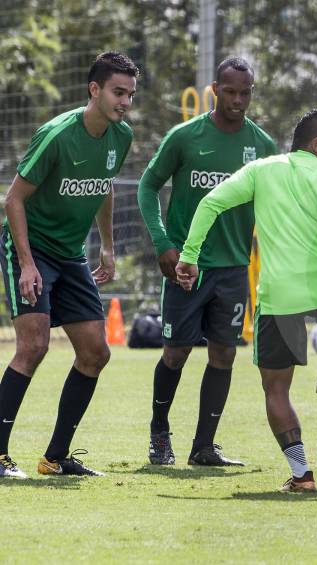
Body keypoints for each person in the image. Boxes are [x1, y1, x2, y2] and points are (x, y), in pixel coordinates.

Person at [175, 110, 317, 492]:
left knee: (276, 390)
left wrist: (190, 254)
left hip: (280, 294)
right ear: (316, 145)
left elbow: (211, 203)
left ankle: (301, 475)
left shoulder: (261, 170)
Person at [0, 52, 138, 478]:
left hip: (71, 253)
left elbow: (105, 187)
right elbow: (13, 199)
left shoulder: (121, 136)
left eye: (131, 95)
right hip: (31, 247)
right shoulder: (57, 135)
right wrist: (26, 264)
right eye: (118, 92)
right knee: (34, 346)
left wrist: (108, 247)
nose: (125, 102)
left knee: (96, 353)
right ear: (94, 90)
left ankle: (55, 458)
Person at [137, 57, 276, 467]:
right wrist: (163, 242)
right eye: (230, 91)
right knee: (176, 353)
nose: (238, 100)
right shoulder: (185, 137)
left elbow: (271, 206)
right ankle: (159, 433)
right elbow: (147, 187)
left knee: (223, 356)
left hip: (234, 268)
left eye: (245, 92)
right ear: (215, 89)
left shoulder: (263, 147)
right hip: (187, 266)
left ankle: (204, 447)